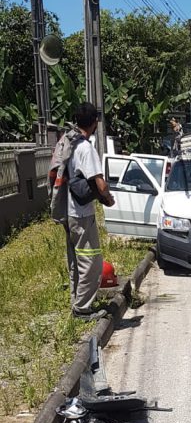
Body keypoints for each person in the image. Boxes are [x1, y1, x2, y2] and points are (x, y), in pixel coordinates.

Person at [66, 102, 115, 319]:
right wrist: (108, 199)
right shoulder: (86, 148)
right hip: (82, 214)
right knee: (92, 262)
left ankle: (77, 302)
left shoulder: (70, 143)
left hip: (69, 211)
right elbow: (101, 184)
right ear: (95, 123)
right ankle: (82, 308)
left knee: (76, 261)